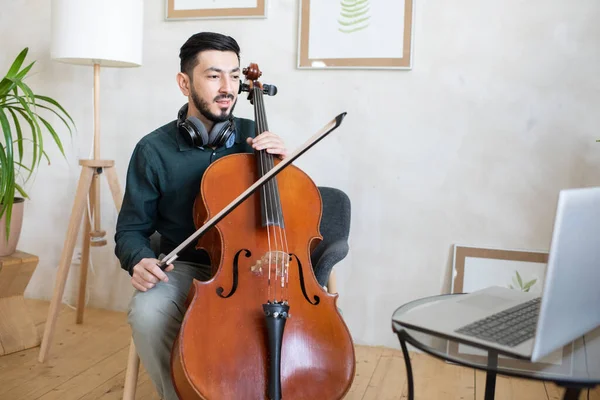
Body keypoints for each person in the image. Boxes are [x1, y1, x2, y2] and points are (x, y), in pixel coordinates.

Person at [114, 32, 288, 400]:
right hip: (187, 267)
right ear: (184, 83)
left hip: (254, 265)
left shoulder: (255, 139)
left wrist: (281, 172)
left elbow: (288, 217)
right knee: (147, 313)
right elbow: (130, 229)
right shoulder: (153, 150)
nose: (228, 87)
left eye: (234, 75)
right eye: (213, 76)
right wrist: (139, 259)